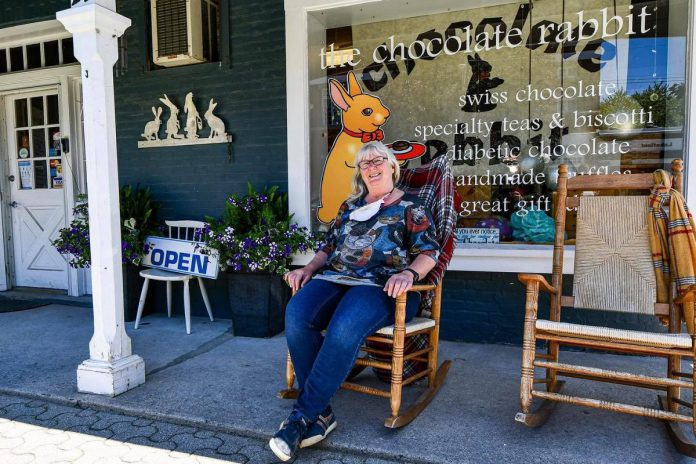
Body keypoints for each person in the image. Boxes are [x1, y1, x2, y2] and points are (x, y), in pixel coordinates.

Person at [269, 141, 441, 462]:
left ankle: (301, 418)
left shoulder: (411, 208)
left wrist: (409, 275)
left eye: (378, 161)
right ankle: (322, 414)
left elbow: (430, 253)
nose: (372, 168)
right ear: (360, 173)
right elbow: (327, 246)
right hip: (335, 279)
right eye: (365, 164)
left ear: (392, 166)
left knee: (344, 327)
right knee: (296, 313)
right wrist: (306, 268)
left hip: (381, 286)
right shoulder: (350, 206)